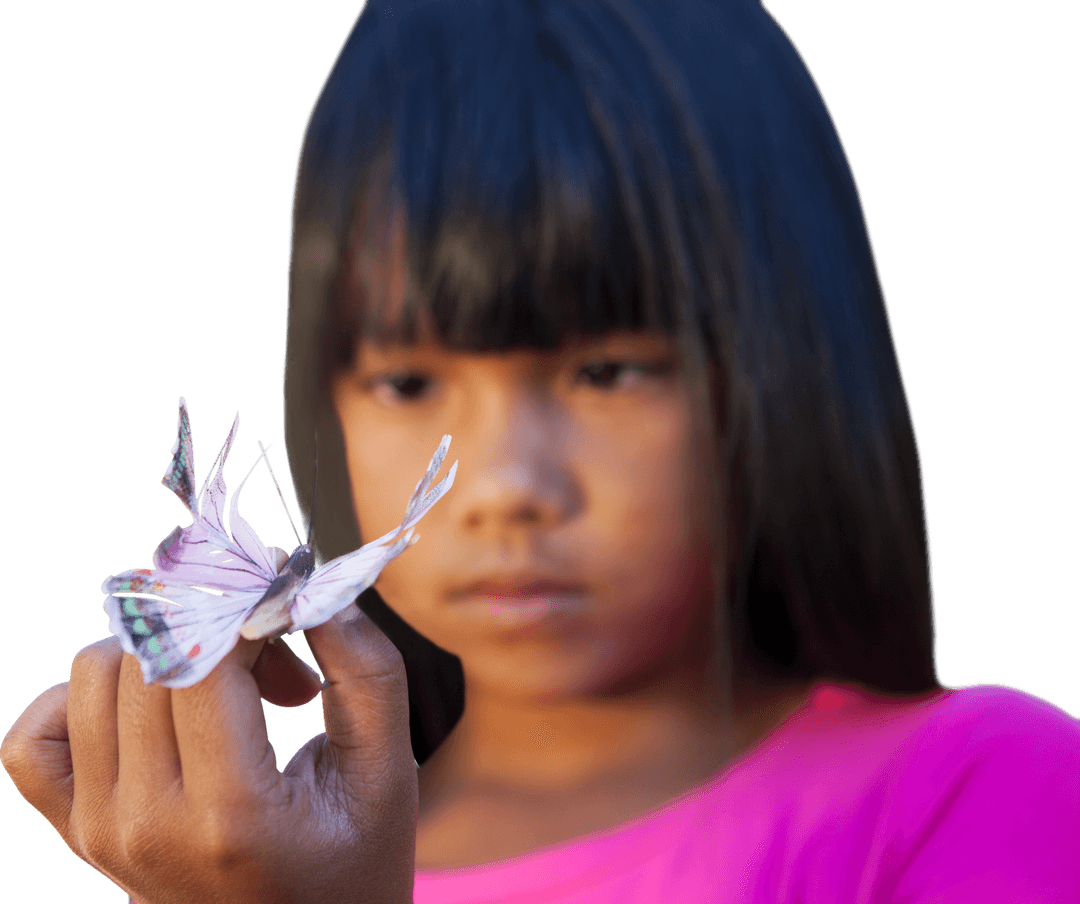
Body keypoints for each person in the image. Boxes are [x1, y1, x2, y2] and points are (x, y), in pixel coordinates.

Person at [3, 1, 1078, 901]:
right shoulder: (265, 857)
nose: (509, 488)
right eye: (409, 381)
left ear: (781, 367)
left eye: (607, 371)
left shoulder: (981, 787)